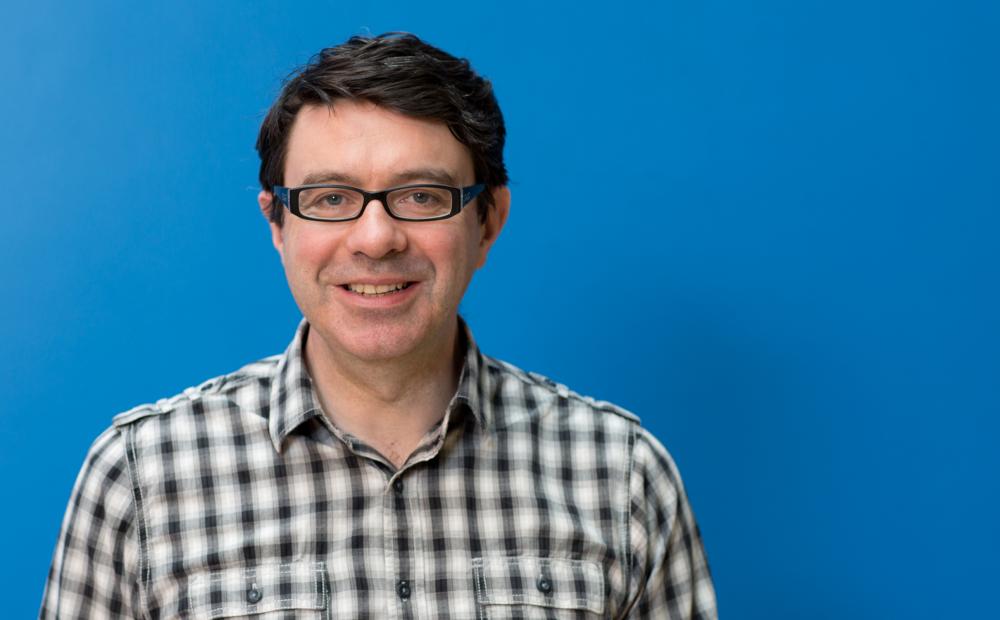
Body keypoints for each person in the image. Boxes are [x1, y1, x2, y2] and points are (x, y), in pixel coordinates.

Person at [41, 33, 717, 619]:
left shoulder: (623, 476)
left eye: (421, 196)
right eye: (330, 198)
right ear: (277, 224)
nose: (375, 238)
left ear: (488, 222)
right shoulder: (139, 477)